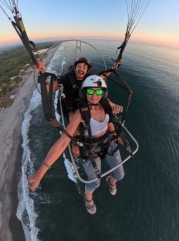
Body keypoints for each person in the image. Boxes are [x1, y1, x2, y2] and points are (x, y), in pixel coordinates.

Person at [28, 75, 125, 214]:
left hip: (107, 141)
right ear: (84, 92)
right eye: (90, 91)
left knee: (119, 175)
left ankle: (111, 181)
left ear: (103, 93)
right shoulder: (80, 113)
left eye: (98, 92)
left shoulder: (106, 103)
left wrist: (116, 110)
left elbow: (110, 116)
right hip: (89, 146)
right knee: (94, 181)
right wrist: (40, 173)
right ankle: (88, 197)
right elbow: (63, 142)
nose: (94, 95)